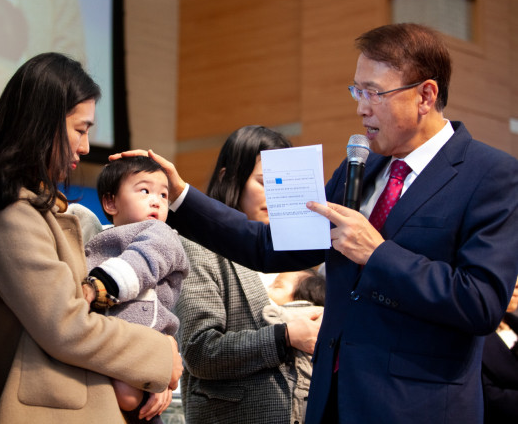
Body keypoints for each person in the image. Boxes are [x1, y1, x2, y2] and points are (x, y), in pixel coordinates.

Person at [115, 23, 518, 423]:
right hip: (330, 404)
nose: (361, 107)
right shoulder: (361, 167)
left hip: (415, 409)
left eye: (374, 93)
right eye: (357, 91)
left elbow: (480, 303)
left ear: (425, 95)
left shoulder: (490, 175)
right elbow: (269, 245)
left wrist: (378, 254)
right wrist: (182, 195)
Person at [0, 52, 183, 424]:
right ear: (41, 124)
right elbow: (66, 325)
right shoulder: (8, 211)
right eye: (80, 129)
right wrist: (157, 354)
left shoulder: (36, 205)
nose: (86, 147)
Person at [173, 125, 322, 424]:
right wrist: (286, 336)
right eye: (266, 182)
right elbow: (198, 352)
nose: (277, 196)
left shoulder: (305, 258)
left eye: (285, 185)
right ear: (228, 177)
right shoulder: (199, 247)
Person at [82, 155, 189, 423]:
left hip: (144, 330)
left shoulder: (161, 234)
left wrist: (98, 287)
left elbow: (141, 261)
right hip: (113, 336)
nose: (156, 201)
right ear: (111, 202)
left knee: (129, 396)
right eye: (144, 191)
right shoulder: (100, 236)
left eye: (163, 195)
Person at [262, 269, 326, 424]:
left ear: (303, 295)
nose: (268, 288)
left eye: (277, 286)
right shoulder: (329, 317)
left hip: (293, 397)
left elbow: (268, 315)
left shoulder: (284, 313)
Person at [481, 276, 518, 423]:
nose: (517, 285)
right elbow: (488, 396)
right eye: (512, 274)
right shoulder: (474, 334)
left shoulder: (514, 324)